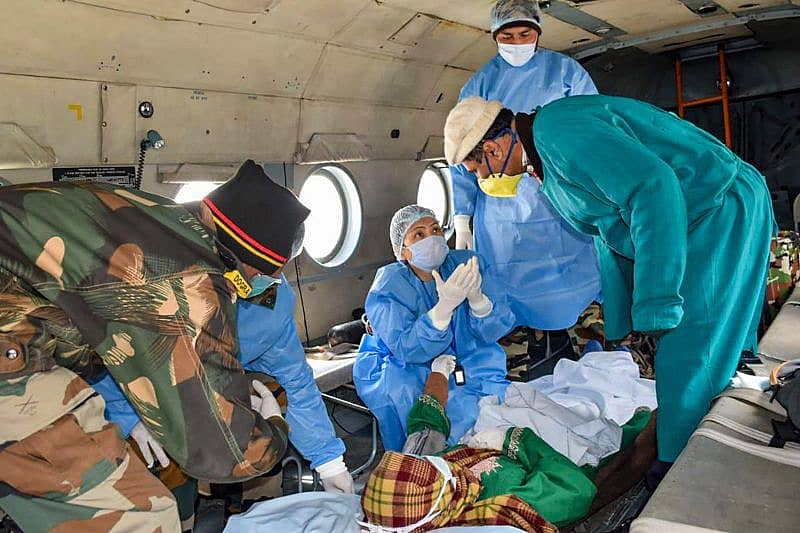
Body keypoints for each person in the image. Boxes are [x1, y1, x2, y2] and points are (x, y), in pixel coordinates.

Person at [443, 95, 776, 478]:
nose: (481, 180)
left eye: (476, 170)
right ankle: (715, 435)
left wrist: (657, 301)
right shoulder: (545, 158)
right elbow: (607, 229)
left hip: (718, 207)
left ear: (493, 149)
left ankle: (683, 473)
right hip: (699, 219)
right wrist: (620, 316)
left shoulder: (560, 132)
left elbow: (653, 188)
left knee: (692, 351)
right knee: (712, 347)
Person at [0, 159, 306, 531]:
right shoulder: (191, 282)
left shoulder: (157, 219)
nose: (266, 285)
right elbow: (226, 449)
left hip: (20, 329)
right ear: (252, 264)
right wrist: (274, 426)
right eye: (268, 275)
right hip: (10, 349)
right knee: (145, 516)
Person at [449, 0, 602, 369]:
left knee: (574, 282)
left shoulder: (566, 74)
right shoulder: (479, 85)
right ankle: (520, 353)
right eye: (507, 36)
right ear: (494, 37)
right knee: (508, 287)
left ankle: (594, 348)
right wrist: (462, 220)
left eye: (524, 34)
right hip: (501, 215)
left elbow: (591, 132)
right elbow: (464, 157)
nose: (517, 42)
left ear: (538, 33)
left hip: (558, 201)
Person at [359, 355, 653, 530]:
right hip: (555, 451)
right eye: (442, 472)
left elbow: (426, 427)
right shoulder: (501, 510)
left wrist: (438, 375)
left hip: (498, 425)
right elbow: (574, 488)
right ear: (438, 511)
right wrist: (514, 440)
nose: (445, 463)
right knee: (611, 412)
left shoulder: (418, 476)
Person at [353, 205, 514, 451]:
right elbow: (407, 347)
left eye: (436, 229)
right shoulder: (389, 286)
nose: (432, 238)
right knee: (415, 402)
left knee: (491, 406)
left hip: (470, 356)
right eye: (419, 234)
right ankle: (423, 456)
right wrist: (442, 310)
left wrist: (479, 302)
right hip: (408, 365)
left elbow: (492, 332)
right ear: (403, 250)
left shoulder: (465, 265)